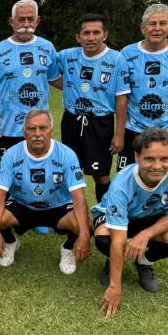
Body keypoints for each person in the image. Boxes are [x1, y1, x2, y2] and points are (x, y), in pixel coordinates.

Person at [0, 0, 61, 235]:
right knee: (11, 174)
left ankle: (40, 215)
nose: (26, 24)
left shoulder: (47, 48)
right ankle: (11, 213)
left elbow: (56, 79)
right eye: (21, 19)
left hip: (39, 128)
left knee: (41, 171)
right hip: (9, 127)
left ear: (38, 20)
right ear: (11, 22)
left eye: (30, 19)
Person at [93, 128, 168, 317]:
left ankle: (143, 262)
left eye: (165, 159)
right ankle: (111, 262)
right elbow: (118, 237)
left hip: (150, 218)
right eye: (149, 159)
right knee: (104, 236)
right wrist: (116, 286)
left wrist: (145, 235)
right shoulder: (121, 184)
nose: (157, 166)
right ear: (137, 157)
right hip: (121, 218)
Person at [0, 110, 91, 274]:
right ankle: (10, 242)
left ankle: (68, 248)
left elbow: (78, 197)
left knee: (84, 223)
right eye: (31, 129)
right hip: (22, 206)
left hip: (58, 206)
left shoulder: (67, 155)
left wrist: (85, 234)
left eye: (42, 128)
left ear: (51, 130)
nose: (37, 134)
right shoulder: (11, 154)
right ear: (24, 132)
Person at [55, 14, 131, 202]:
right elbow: (49, 74)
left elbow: (121, 98)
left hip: (100, 123)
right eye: (86, 33)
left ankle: (103, 216)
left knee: (101, 174)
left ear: (104, 35)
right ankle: (69, 214)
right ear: (78, 37)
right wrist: (68, 87)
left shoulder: (116, 59)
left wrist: (119, 133)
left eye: (96, 32)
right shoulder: (66, 56)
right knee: (69, 171)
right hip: (71, 120)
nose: (91, 37)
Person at [118, 3, 168, 170]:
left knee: (162, 174)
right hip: (134, 128)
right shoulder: (127, 53)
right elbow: (122, 94)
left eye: (162, 23)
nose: (157, 28)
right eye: (152, 23)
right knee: (127, 175)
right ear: (143, 27)